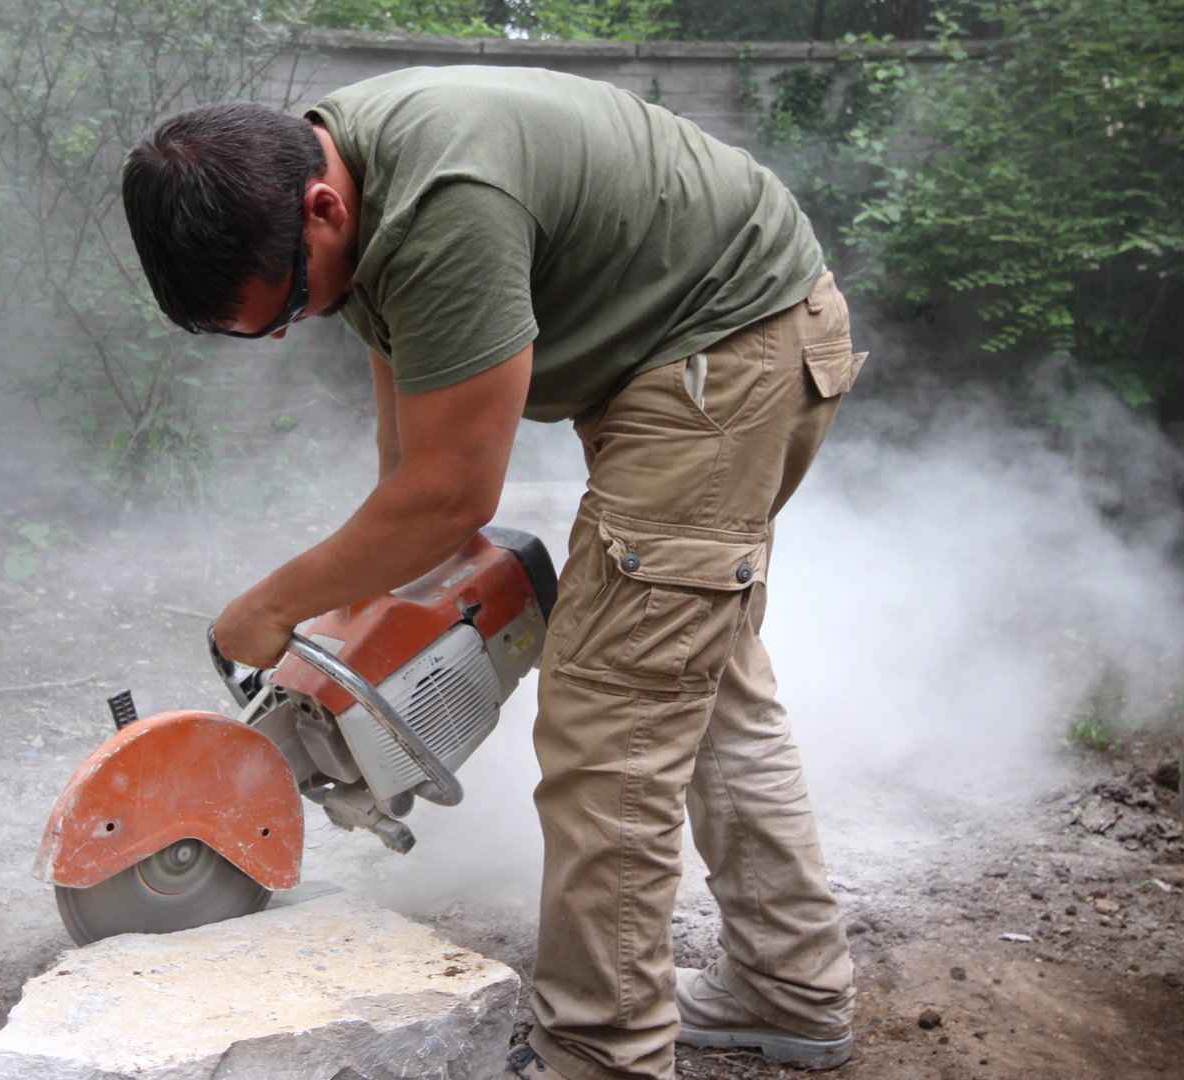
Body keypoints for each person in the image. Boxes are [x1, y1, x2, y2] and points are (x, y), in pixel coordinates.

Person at [121, 65, 866, 1080]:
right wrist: (356, 624)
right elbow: (410, 475)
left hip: (729, 347)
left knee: (611, 720)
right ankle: (793, 989)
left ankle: (602, 1055)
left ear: (321, 206)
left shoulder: (442, 207)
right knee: (695, 682)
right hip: (685, 347)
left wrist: (270, 607)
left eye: (291, 302)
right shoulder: (346, 177)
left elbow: (451, 496)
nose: (297, 325)